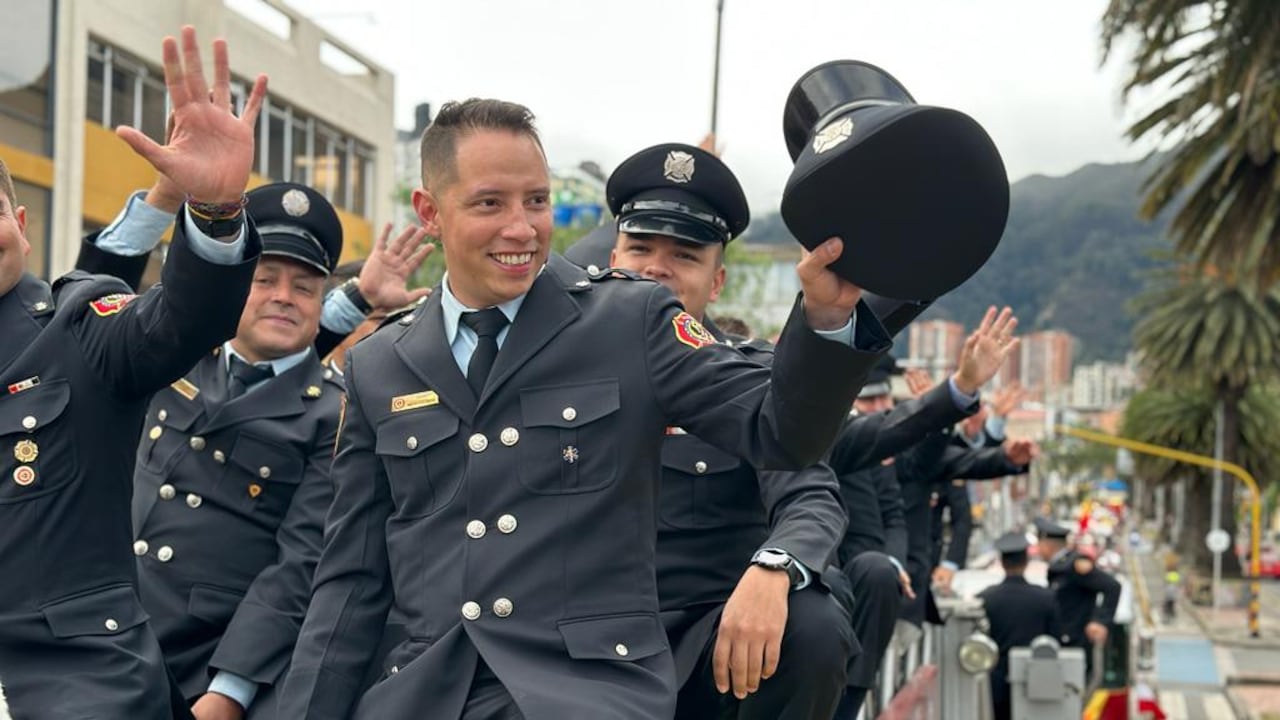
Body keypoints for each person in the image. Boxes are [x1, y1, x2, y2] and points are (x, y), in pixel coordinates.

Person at [279, 99, 890, 720]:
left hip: (580, 691)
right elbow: (350, 582)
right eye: (490, 203)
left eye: (537, 202)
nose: (521, 228)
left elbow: (782, 434)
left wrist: (826, 322)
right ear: (431, 213)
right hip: (421, 692)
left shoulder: (629, 319)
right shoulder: (380, 362)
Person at [0, 26, 266, 719]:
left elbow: (184, 321)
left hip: (74, 685)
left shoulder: (77, 329)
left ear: (21, 223)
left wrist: (213, 209)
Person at [602, 143, 852, 720]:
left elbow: (809, 495)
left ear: (716, 283)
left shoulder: (750, 379)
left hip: (702, 649)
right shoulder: (545, 367)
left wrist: (776, 566)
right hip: (573, 642)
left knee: (811, 623)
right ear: (611, 257)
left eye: (684, 255)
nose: (654, 268)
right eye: (639, 248)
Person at [127, 183, 348, 720]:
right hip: (102, 630)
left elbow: (299, 563)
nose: (282, 296)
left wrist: (230, 691)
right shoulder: (173, 355)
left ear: (321, 304)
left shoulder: (335, 414)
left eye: (304, 287)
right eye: (263, 279)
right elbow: (103, 296)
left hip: (203, 665)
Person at [977, 532, 1060, 720]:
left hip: (995, 685)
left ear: (1002, 562)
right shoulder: (1046, 598)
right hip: (1037, 681)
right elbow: (1054, 640)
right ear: (1027, 561)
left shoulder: (985, 598)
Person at [1035, 517, 1121, 679]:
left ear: (1046, 544)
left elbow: (1112, 586)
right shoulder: (1059, 566)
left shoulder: (1074, 565)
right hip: (1063, 643)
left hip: (1076, 643)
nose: (1037, 549)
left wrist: (1100, 621)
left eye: (1039, 544)